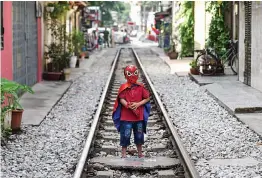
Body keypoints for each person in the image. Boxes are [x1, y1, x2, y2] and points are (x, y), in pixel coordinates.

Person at [112, 65, 151, 158]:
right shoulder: (124, 87)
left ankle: (140, 152)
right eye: (130, 74)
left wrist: (138, 104)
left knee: (139, 135)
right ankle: (124, 153)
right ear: (126, 75)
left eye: (135, 73)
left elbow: (147, 98)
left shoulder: (140, 87)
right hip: (126, 117)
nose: (132, 76)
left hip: (139, 117)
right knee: (125, 135)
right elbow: (121, 99)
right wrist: (128, 105)